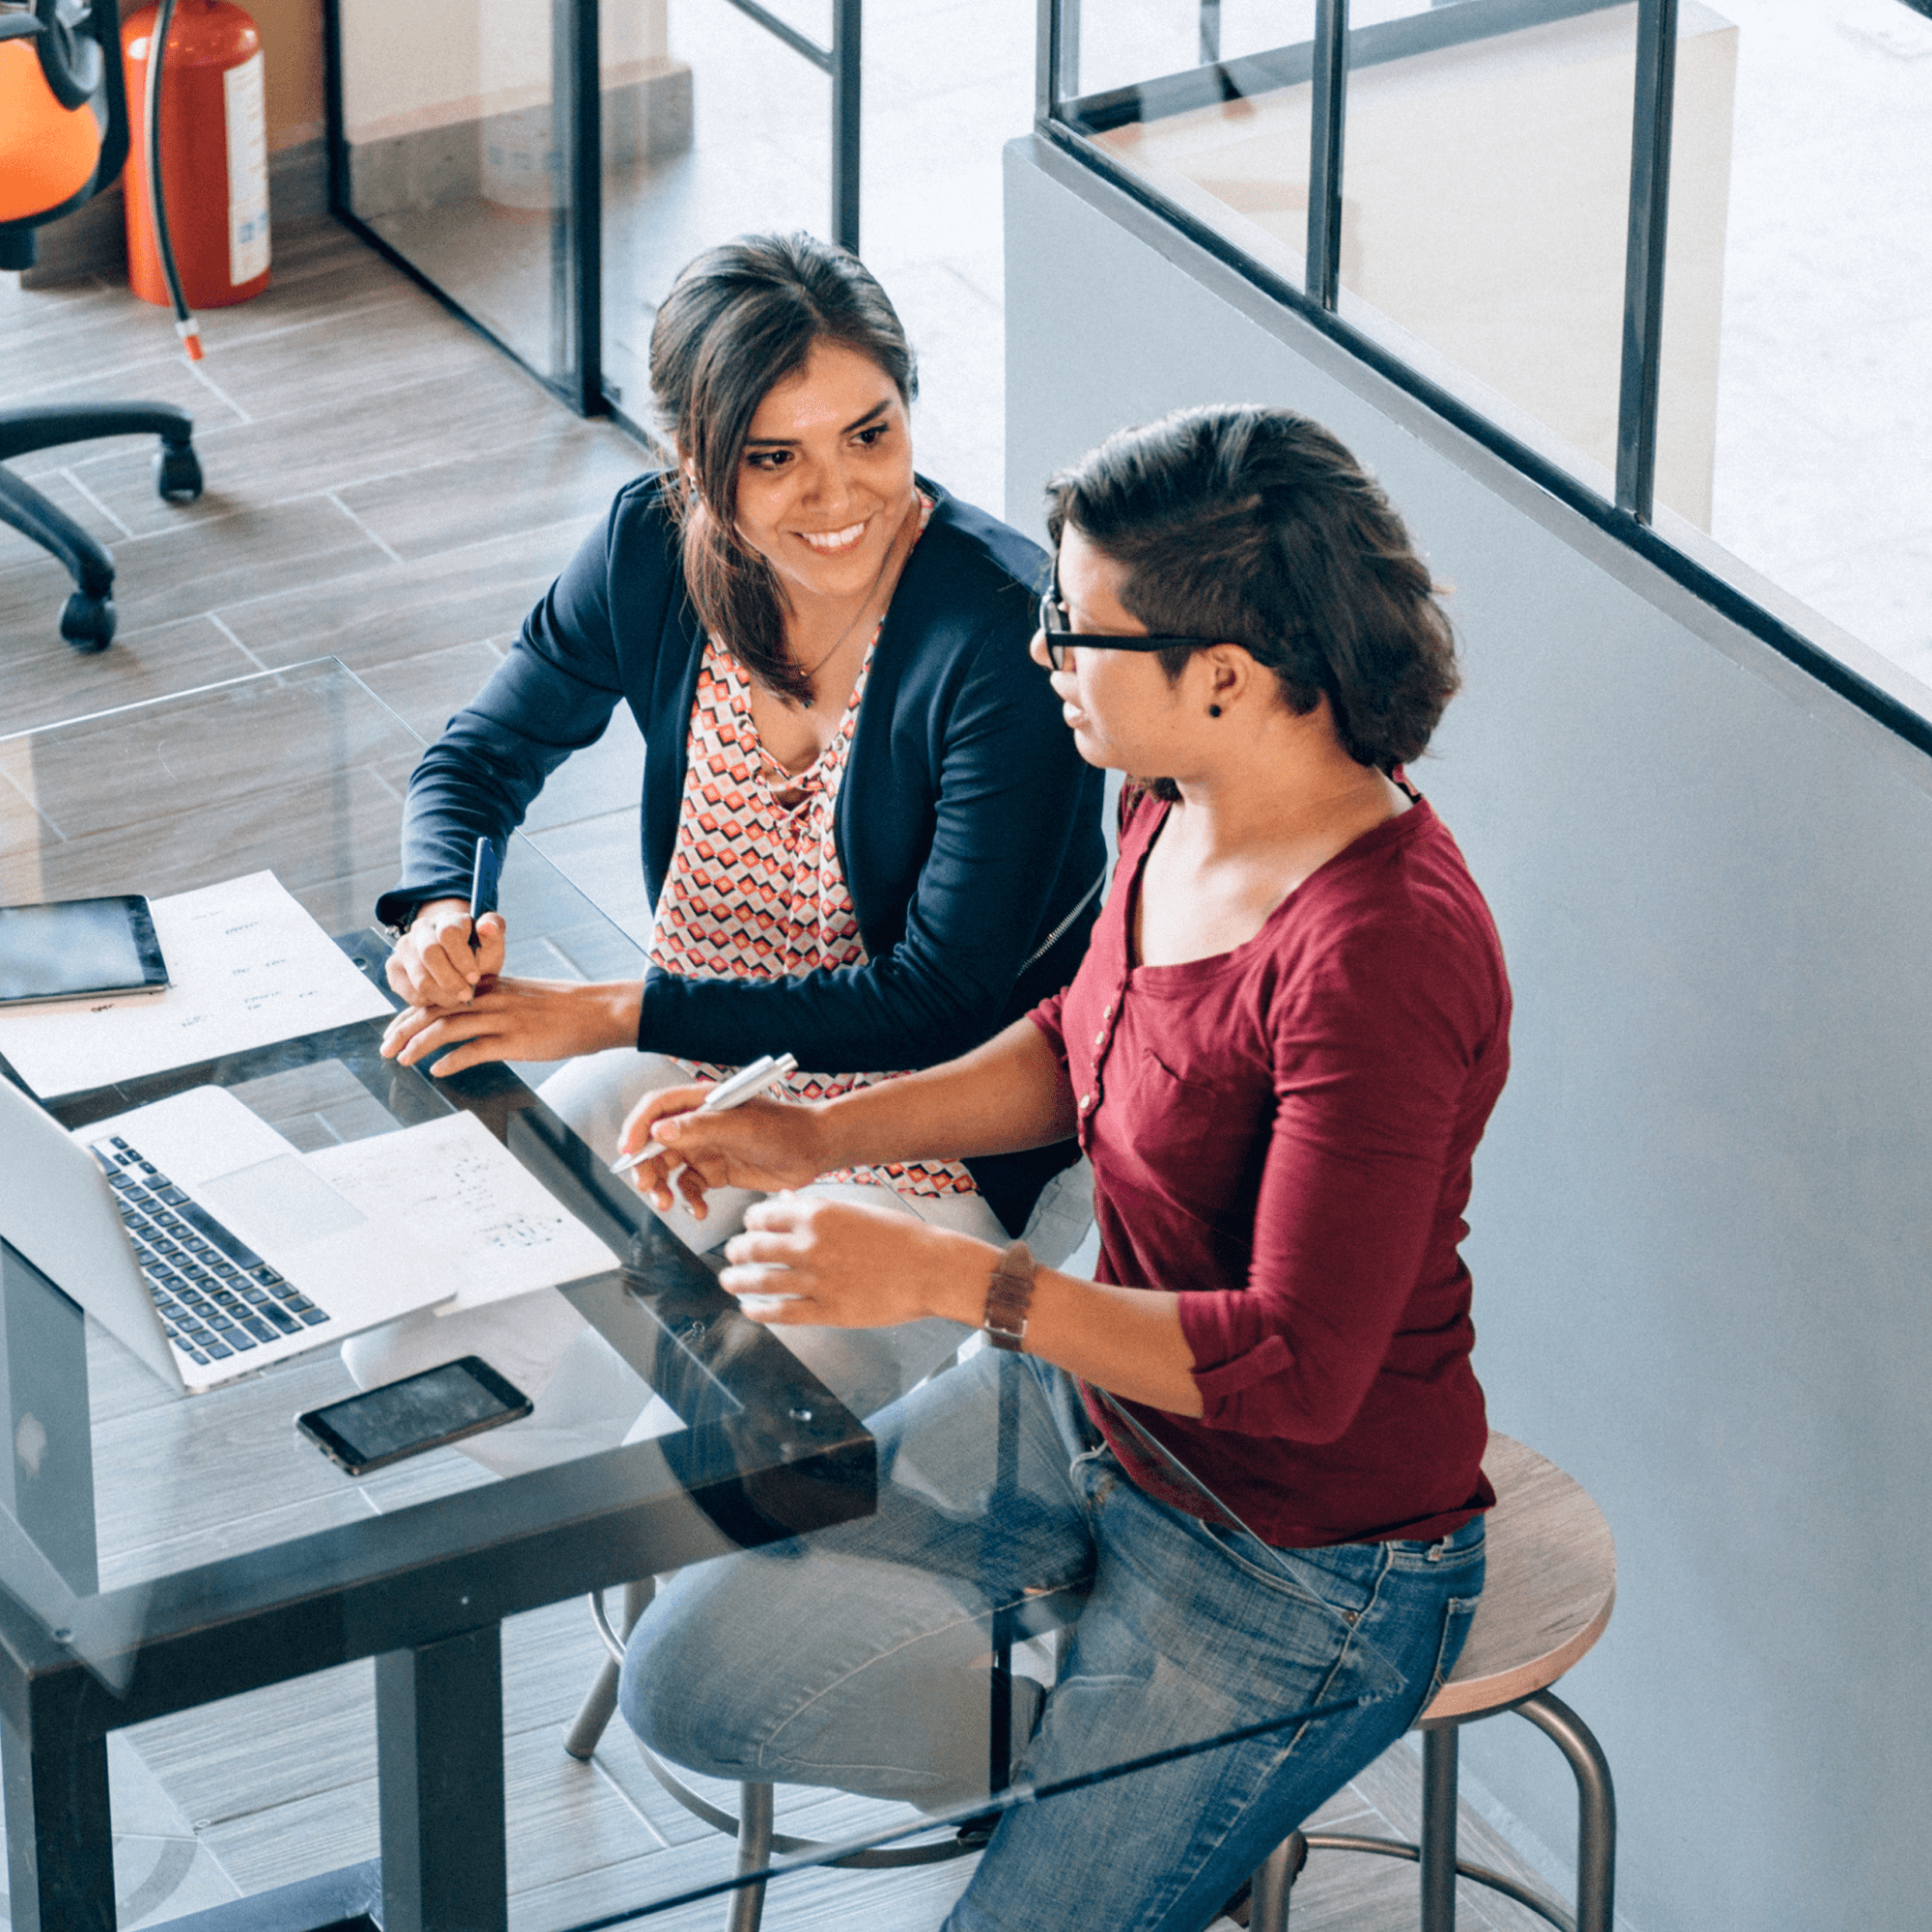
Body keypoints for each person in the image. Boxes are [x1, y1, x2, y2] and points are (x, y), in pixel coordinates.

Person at [612, 405, 1511, 1930]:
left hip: (1297, 1552)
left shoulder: (1381, 953)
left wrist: (957, 1279)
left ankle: (1149, 1811)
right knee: (691, 1664)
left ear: (1223, 676)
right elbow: (1080, 1040)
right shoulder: (1172, 798)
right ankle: (1112, 1795)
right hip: (1096, 1412)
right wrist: (824, 1131)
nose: (1043, 655)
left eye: (1076, 631)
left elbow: (1299, 1370)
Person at [352, 233, 1105, 1448]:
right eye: (773, 457)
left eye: (871, 433)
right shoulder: (649, 552)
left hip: (919, 1129)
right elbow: (476, 761)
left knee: (708, 1444)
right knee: (410, 1342)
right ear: (694, 464)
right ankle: (617, 1541)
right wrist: (441, 907)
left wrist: (611, 1012)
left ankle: (652, 1601)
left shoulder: (996, 640)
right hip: (697, 1068)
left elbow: (935, 997)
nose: (840, 493)